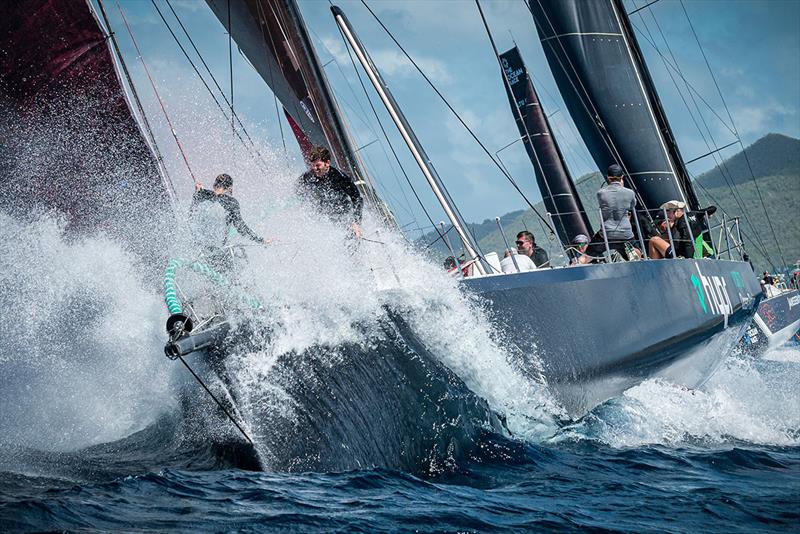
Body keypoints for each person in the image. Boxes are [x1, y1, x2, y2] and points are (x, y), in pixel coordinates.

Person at [190, 173, 266, 272]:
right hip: (219, 255)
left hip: (198, 253)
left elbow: (191, 217)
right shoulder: (231, 202)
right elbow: (241, 228)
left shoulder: (201, 195)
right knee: (238, 271)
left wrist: (198, 192)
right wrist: (260, 240)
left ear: (214, 185)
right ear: (230, 188)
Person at [298, 145, 364, 238]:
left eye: (317, 165)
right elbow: (297, 193)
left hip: (344, 216)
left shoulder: (339, 176)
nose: (314, 169)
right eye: (312, 165)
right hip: (323, 218)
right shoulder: (307, 177)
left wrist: (357, 223)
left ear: (327, 163)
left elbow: (357, 198)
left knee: (351, 234)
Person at [588, 163, 640, 260]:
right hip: (625, 234)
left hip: (606, 234)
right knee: (638, 253)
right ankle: (634, 258)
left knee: (586, 257)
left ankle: (576, 264)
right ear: (622, 177)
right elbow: (632, 205)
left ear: (608, 177)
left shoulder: (601, 193)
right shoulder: (630, 193)